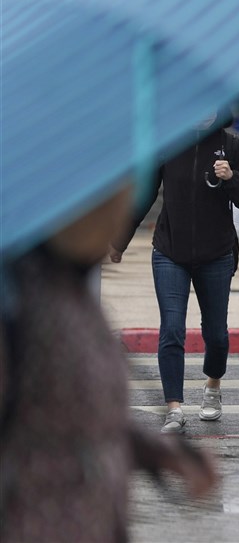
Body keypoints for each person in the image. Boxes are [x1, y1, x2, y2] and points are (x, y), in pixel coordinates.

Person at [1, 187, 217, 542]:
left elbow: (81, 418)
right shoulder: (15, 303)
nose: (116, 217)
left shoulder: (70, 293)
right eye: (100, 204)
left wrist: (164, 454)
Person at [111, 111, 239, 433]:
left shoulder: (231, 146)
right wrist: (119, 241)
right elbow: (144, 195)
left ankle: (213, 386)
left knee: (216, 335)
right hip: (170, 251)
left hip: (217, 254)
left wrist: (231, 178)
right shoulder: (167, 144)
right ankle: (174, 409)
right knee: (172, 328)